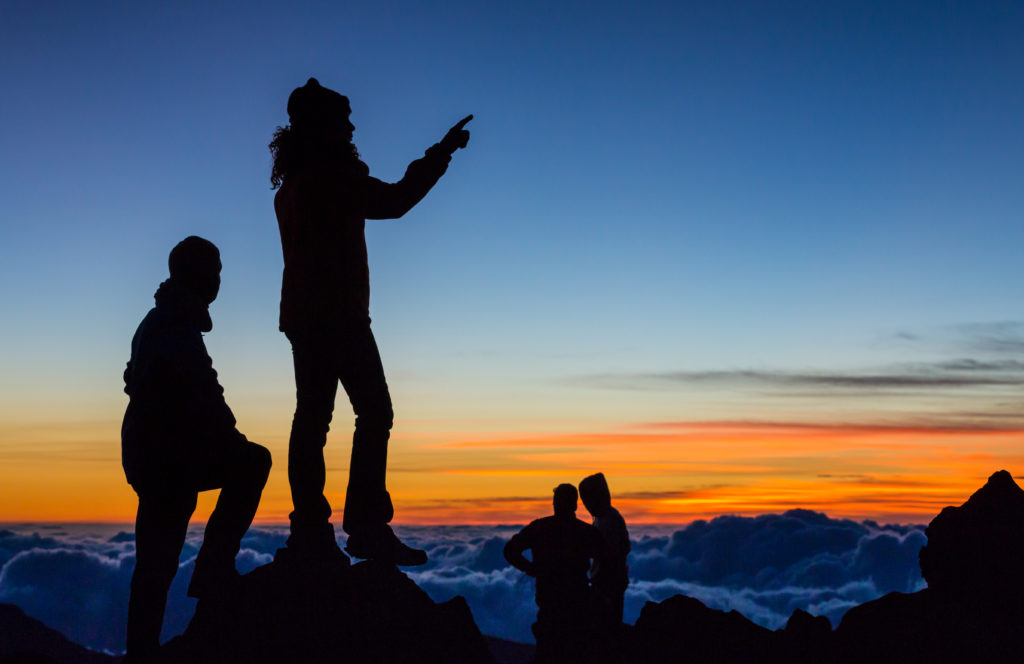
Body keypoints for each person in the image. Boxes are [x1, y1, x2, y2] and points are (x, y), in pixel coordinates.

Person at [269, 77, 471, 565]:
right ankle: (364, 527)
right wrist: (441, 154)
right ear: (326, 125)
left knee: (313, 418)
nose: (353, 125)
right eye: (345, 118)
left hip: (305, 314)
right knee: (373, 413)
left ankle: (312, 528)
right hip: (337, 315)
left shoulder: (296, 182)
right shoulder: (329, 176)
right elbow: (396, 201)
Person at [121, 236, 272, 660]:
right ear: (195, 275)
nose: (219, 279)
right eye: (214, 270)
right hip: (166, 460)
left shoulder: (166, 319)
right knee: (254, 461)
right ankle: (212, 573)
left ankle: (143, 650)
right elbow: (204, 394)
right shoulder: (174, 325)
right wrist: (231, 441)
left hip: (158, 456)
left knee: (155, 562)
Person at [504, 484, 604, 664]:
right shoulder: (586, 532)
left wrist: (531, 568)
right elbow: (607, 557)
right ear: (574, 505)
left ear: (555, 504)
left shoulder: (540, 528)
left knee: (548, 652)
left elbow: (510, 551)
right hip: (578, 602)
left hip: (549, 601)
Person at [579, 472, 631, 624]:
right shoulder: (602, 519)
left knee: (607, 626)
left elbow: (613, 552)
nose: (586, 504)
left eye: (588, 499)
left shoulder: (610, 520)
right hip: (603, 582)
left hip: (609, 584)